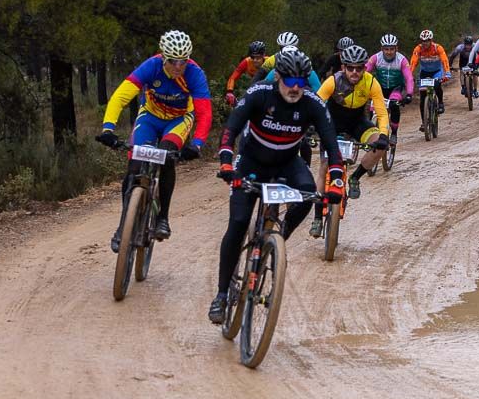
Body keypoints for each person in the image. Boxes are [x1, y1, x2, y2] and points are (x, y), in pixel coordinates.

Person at [208, 48, 345, 324]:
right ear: (278, 77)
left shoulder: (312, 103)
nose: (296, 89)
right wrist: (225, 161)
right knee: (237, 223)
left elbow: (331, 145)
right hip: (251, 162)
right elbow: (231, 128)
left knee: (308, 196)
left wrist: (337, 181)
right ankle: (222, 295)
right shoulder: (259, 93)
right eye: (290, 82)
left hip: (287, 162)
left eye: (302, 82)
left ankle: (279, 238)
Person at [96, 30, 211, 250]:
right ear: (163, 56)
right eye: (173, 61)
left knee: (167, 156)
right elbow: (120, 96)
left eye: (183, 61)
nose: (178, 66)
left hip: (177, 120)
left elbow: (204, 113)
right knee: (134, 165)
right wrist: (108, 129)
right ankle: (124, 226)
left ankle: (163, 218)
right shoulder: (151, 66)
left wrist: (197, 144)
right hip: (150, 117)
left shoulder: (195, 74)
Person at [315, 44, 389, 204]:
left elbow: (382, 113)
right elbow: (314, 104)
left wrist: (383, 135)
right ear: (343, 67)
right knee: (324, 166)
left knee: (382, 146)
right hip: (332, 123)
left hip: (357, 123)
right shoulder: (333, 81)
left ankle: (355, 178)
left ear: (365, 68)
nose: (354, 72)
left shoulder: (371, 83)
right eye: (350, 68)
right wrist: (310, 126)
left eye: (359, 68)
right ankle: (317, 216)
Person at [366, 34, 414, 145]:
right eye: (386, 49)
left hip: (396, 88)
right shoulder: (375, 58)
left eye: (392, 49)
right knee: (372, 110)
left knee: (394, 105)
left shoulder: (401, 60)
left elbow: (409, 78)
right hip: (380, 88)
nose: (389, 52)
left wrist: (409, 94)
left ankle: (394, 133)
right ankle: (371, 133)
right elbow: (364, 73)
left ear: (396, 48)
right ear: (381, 49)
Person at [410, 29, 450, 124]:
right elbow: (413, 62)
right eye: (423, 41)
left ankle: (440, 103)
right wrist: (409, 74)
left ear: (431, 40)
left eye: (427, 40)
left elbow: (444, 60)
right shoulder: (418, 49)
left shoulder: (438, 48)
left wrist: (447, 72)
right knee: (423, 97)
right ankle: (424, 122)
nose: (425, 43)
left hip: (437, 72)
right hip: (424, 72)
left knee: (437, 85)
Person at [225, 41, 267, 107]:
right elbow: (232, 78)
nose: (255, 60)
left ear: (263, 55)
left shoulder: (269, 62)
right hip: (254, 87)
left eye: (258, 58)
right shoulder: (246, 62)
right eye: (252, 57)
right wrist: (229, 92)